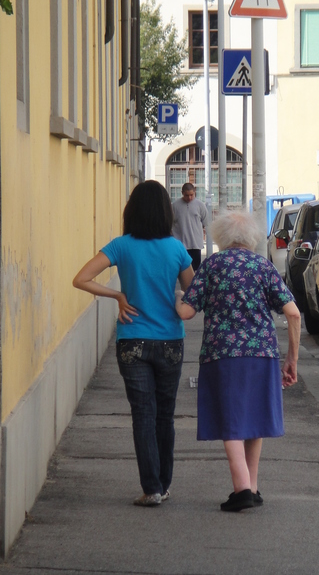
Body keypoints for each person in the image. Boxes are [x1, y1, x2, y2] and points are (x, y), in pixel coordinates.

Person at [73, 181, 194, 507]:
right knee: (164, 416)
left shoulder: (121, 246)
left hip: (132, 341)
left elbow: (80, 278)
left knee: (143, 414)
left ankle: (151, 489)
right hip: (170, 340)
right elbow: (194, 295)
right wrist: (179, 302)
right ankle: (164, 485)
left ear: (132, 211)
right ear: (166, 213)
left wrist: (118, 295)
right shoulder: (176, 249)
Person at [175, 210, 301, 512]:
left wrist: (178, 295)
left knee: (228, 418)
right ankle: (252, 486)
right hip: (262, 353)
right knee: (254, 418)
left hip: (222, 353)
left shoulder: (213, 265)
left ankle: (242, 488)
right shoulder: (263, 266)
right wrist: (291, 359)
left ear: (220, 237)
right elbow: (293, 313)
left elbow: (186, 313)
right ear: (252, 237)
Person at [172, 183, 208, 271]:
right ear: (182, 193)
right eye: (186, 195)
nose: (189, 198)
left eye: (192, 195)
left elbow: (206, 221)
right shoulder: (175, 206)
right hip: (181, 244)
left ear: (195, 192)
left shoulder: (200, 205)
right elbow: (170, 223)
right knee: (182, 270)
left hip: (196, 244)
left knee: (195, 269)